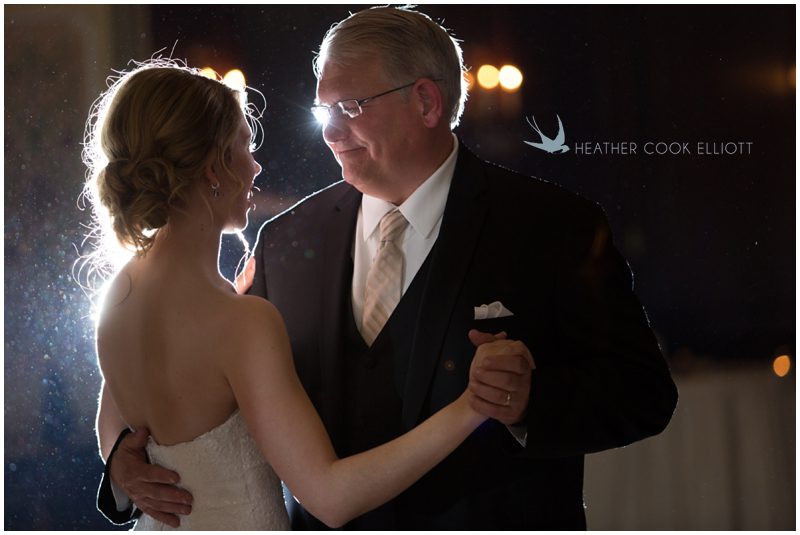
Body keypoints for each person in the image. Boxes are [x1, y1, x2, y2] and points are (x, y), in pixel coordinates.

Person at [99, 7, 678, 530]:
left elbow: (645, 395)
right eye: (323, 111)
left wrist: (529, 403)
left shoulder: (552, 226)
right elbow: (186, 373)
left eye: (349, 108)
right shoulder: (285, 241)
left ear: (426, 102)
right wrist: (127, 454)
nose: (330, 132)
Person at [85, 59, 529, 530]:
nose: (256, 166)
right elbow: (330, 498)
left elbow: (115, 422)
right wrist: (471, 406)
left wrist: (119, 460)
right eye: (245, 147)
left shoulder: (117, 295)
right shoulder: (239, 322)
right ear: (214, 169)